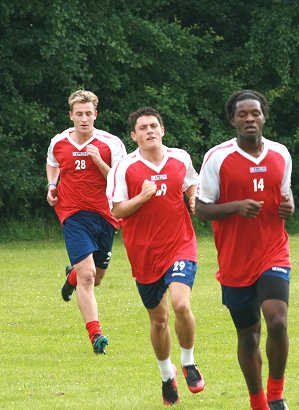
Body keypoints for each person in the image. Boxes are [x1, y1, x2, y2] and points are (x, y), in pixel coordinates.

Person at [195, 90, 294, 410]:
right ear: (232, 120)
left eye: (255, 113)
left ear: (264, 116)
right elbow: (201, 208)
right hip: (235, 260)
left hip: (273, 251)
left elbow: (284, 195)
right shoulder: (217, 158)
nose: (249, 119)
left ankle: (276, 395)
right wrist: (236, 207)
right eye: (242, 115)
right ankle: (257, 401)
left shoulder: (281, 153)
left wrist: (290, 205)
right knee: (249, 335)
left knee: (277, 321)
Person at [106, 106, 205, 405]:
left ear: (162, 130)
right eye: (143, 128)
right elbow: (116, 210)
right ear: (134, 135)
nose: (149, 131)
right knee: (159, 321)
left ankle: (188, 362)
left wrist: (193, 198)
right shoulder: (124, 168)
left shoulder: (181, 158)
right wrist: (142, 196)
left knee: (181, 304)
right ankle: (166, 374)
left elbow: (192, 182)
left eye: (154, 126)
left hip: (180, 244)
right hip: (144, 253)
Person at [46, 89, 127, 354]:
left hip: (105, 216)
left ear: (96, 115)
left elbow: (120, 181)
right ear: (71, 115)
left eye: (88, 114)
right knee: (89, 275)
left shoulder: (110, 143)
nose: (83, 119)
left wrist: (98, 161)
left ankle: (72, 277)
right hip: (72, 214)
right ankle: (96, 335)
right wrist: (51, 185)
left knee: (98, 276)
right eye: (78, 114)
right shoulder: (58, 141)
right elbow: (53, 163)